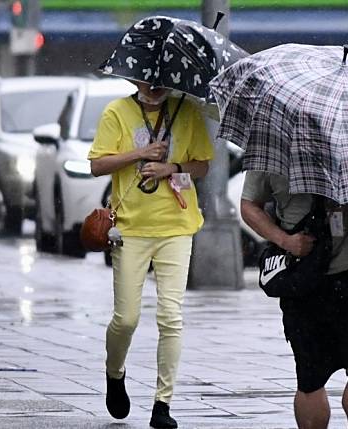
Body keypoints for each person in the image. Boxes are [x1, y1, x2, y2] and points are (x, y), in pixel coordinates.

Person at [88, 82, 213, 429]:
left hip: (177, 225)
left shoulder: (186, 111)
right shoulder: (117, 111)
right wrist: (140, 155)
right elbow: (97, 166)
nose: (154, 86)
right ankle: (115, 373)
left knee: (171, 316)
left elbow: (202, 165)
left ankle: (163, 403)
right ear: (135, 79)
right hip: (130, 228)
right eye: (148, 79)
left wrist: (171, 167)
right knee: (126, 318)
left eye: (161, 80)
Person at [240, 172, 348, 429]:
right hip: (303, 277)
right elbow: (249, 205)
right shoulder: (274, 146)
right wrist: (285, 241)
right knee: (310, 377)